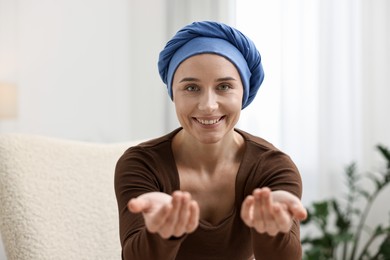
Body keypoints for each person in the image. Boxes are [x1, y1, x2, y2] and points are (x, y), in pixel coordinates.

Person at [114, 21, 307, 260]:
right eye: (192, 87)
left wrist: (273, 232)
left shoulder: (273, 168)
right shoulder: (141, 164)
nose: (208, 105)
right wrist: (159, 234)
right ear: (173, 93)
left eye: (224, 86)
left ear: (244, 93)